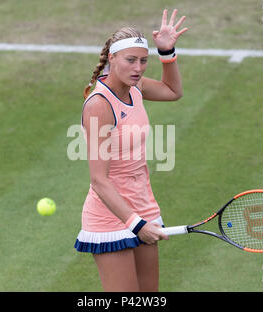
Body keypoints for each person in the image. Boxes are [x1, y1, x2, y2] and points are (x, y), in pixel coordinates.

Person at [74, 9, 188, 292]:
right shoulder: (99, 105)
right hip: (111, 216)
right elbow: (99, 180)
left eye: (143, 61)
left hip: (143, 205)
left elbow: (173, 91)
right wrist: (136, 224)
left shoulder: (135, 87)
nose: (138, 68)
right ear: (112, 59)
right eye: (130, 60)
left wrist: (167, 52)